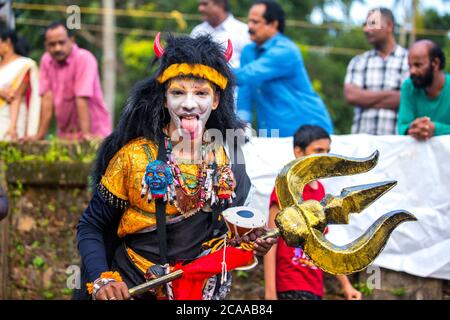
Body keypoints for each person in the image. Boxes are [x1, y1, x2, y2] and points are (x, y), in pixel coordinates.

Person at [76, 33, 276, 300]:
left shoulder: (228, 157)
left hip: (198, 291)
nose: (189, 103)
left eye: (201, 93)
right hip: (135, 285)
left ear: (215, 101)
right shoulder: (134, 157)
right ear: (164, 99)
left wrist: (251, 240)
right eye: (178, 92)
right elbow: (91, 225)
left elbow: (228, 234)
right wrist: (102, 279)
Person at [264, 124, 362, 300]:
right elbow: (270, 240)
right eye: (318, 150)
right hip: (289, 284)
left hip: (315, 287)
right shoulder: (287, 188)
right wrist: (270, 293)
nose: (324, 156)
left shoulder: (321, 191)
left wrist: (346, 285)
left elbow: (322, 243)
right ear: (299, 152)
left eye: (327, 150)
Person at [234, 0, 333, 138]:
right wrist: (241, 126)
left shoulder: (285, 50)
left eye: (255, 22)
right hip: (273, 132)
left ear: (273, 24)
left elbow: (247, 75)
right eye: (249, 21)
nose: (249, 26)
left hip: (309, 130)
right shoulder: (248, 52)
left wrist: (213, 71)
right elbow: (245, 90)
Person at [30, 21, 112, 141]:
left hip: (95, 133)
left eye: (61, 43)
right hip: (66, 135)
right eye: (52, 44)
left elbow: (81, 98)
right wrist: (40, 136)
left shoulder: (84, 59)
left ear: (71, 40)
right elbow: (47, 100)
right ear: (46, 45)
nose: (57, 48)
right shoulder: (46, 61)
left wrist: (86, 135)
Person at [344, 8, 409, 135]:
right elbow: (352, 96)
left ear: (389, 26)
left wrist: (365, 99)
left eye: (372, 24)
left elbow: (408, 99)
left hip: (397, 145)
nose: (366, 29)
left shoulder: (410, 60)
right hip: (362, 144)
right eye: (365, 25)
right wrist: (392, 95)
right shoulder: (358, 61)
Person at [397, 40, 450, 139]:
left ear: (435, 63)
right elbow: (402, 127)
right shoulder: (408, 87)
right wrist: (413, 129)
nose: (412, 71)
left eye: (418, 65)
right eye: (410, 66)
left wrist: (435, 129)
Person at [0, 27, 40, 140]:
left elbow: (16, 96)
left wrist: (12, 127)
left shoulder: (24, 65)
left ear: (7, 42)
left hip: (9, 120)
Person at [191, 0, 250, 68]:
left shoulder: (243, 31)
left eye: (205, 4)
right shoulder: (197, 31)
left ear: (220, 5)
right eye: (200, 4)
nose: (200, 8)